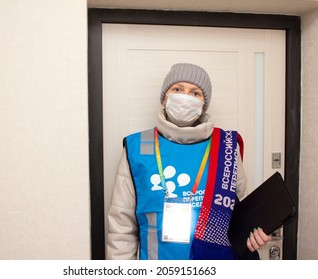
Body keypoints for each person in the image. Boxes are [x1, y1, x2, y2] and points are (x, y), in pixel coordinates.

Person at [106, 63, 271, 260]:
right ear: (164, 98)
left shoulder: (226, 146)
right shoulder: (137, 147)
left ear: (203, 104)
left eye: (195, 93)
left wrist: (253, 235)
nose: (185, 97)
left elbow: (240, 217)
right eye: (177, 89)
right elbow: (121, 228)